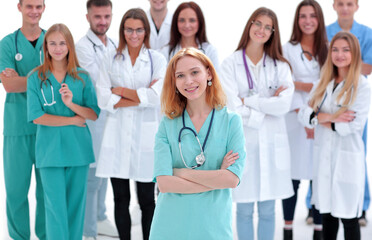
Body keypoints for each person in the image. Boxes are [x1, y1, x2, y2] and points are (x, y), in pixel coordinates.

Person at [149, 47, 246, 240]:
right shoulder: (167, 124)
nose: (189, 81)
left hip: (213, 228)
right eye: (180, 76)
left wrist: (181, 173)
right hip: (170, 228)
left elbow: (231, 180)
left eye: (195, 72)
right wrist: (216, 177)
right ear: (174, 82)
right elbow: (165, 183)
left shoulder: (231, 121)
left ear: (208, 73)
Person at [220, 7, 294, 240]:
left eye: (268, 27)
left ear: (273, 33)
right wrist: (265, 106)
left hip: (272, 145)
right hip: (243, 143)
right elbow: (231, 107)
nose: (262, 30)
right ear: (249, 25)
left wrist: (248, 102)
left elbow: (283, 106)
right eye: (258, 24)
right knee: (242, 209)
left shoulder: (280, 65)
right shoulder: (230, 64)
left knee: (268, 209)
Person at [95, 8, 166, 240]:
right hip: (116, 136)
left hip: (146, 138)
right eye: (129, 29)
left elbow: (158, 97)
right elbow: (103, 98)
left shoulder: (157, 59)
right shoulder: (110, 58)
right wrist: (141, 96)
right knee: (120, 199)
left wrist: (123, 92)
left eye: (138, 30)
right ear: (122, 30)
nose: (133, 35)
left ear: (145, 31)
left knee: (147, 199)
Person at [27, 23, 100, 240]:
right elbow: (37, 116)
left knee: (76, 209)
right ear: (45, 47)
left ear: (69, 46)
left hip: (78, 152)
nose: (58, 48)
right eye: (52, 43)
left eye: (62, 43)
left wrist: (71, 105)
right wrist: (71, 121)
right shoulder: (35, 78)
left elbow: (93, 114)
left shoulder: (82, 77)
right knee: (55, 209)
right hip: (49, 153)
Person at [298, 31, 370, 240]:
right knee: (327, 216)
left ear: (354, 53)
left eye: (346, 50)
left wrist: (319, 118)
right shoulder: (324, 82)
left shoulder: (362, 86)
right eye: (335, 50)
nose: (340, 54)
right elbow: (304, 115)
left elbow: (353, 126)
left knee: (349, 219)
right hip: (324, 160)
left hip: (347, 160)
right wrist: (330, 117)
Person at [281, 1, 328, 239]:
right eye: (302, 16)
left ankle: (318, 231)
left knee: (319, 175)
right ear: (296, 20)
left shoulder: (328, 48)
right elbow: (284, 84)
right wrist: (308, 87)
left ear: (319, 19)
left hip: (322, 119)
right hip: (293, 119)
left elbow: (331, 86)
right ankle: (288, 229)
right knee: (293, 176)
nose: (307, 21)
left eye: (312, 16)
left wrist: (314, 119)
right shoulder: (287, 48)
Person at [0, 0, 46, 239]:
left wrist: (23, 79)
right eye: (29, 6)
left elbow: (61, 81)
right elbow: (8, 85)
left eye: (38, 6)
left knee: (46, 191)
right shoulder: (7, 44)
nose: (34, 11)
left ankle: (46, 235)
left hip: (48, 128)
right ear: (19, 7)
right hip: (17, 128)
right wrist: (42, 77)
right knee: (16, 192)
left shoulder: (53, 41)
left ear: (44, 8)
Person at [75, 0, 118, 239]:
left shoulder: (113, 43)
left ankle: (100, 217)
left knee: (105, 173)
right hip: (94, 120)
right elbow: (97, 82)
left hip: (112, 118)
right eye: (98, 17)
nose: (103, 21)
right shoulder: (82, 46)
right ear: (88, 17)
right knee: (92, 177)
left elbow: (115, 79)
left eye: (107, 16)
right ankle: (89, 228)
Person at [326, 0, 372, 226]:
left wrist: (321, 120)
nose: (345, 8)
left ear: (357, 6)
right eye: (341, 3)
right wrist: (327, 119)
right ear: (334, 5)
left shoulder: (367, 33)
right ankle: (314, 206)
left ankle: (360, 207)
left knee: (355, 154)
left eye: (350, 3)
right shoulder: (325, 32)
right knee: (324, 160)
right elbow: (324, 66)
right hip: (331, 91)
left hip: (353, 101)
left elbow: (368, 67)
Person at [159, 1, 219, 70]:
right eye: (182, 20)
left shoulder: (210, 51)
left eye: (192, 20)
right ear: (175, 23)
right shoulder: (165, 52)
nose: (187, 25)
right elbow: (162, 79)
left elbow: (215, 79)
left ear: (200, 22)